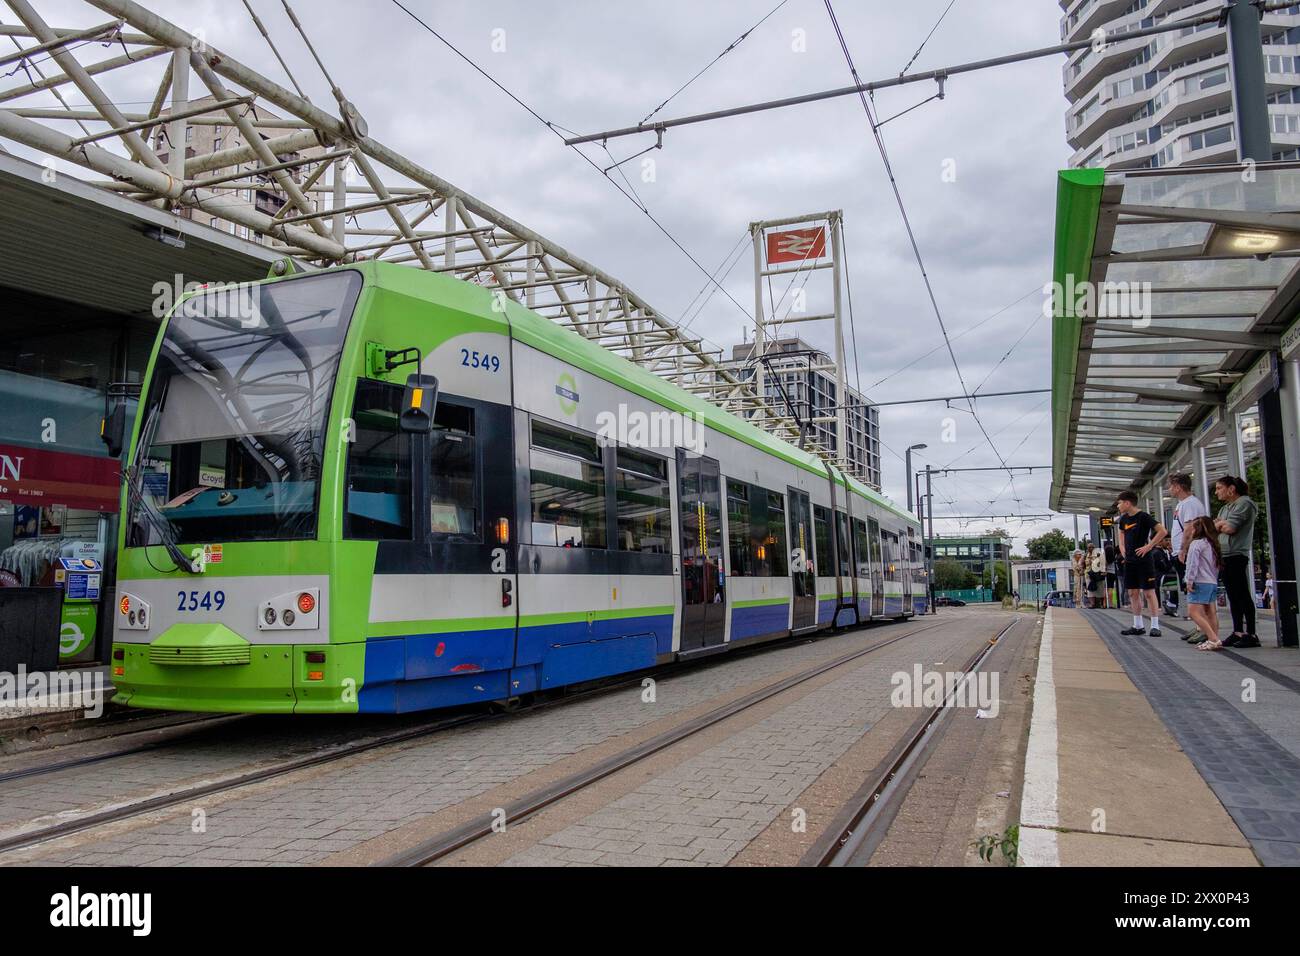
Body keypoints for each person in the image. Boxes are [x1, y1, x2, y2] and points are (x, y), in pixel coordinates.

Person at [1213, 475, 1260, 649]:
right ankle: (1238, 630)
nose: (1217, 492)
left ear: (1231, 489)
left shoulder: (1244, 504)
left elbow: (1230, 528)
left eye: (1219, 488)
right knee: (1233, 594)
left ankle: (1252, 633)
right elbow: (1214, 528)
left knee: (1242, 593)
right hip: (1225, 554)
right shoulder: (1225, 508)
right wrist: (1219, 525)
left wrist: (1220, 525)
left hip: (1236, 553)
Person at [1115, 491, 1168, 636]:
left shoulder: (1143, 517)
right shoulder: (1123, 519)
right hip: (1130, 560)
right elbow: (1121, 534)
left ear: (1127, 503)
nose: (1118, 506)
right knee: (1132, 592)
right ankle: (1137, 625)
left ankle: (1155, 625)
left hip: (1144, 560)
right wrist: (1122, 547)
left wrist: (1149, 546)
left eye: (1119, 503)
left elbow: (1162, 531)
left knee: (1149, 592)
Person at [1163, 472, 1207, 623]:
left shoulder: (1190, 503)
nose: (1170, 489)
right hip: (1182, 553)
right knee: (1189, 589)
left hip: (1187, 553)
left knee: (1194, 588)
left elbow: (1189, 529)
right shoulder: (1182, 504)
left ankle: (1202, 627)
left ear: (1178, 487)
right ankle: (1198, 626)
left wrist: (1183, 549)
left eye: (1171, 486)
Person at [1179, 516, 1224, 651]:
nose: (1191, 530)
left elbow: (1192, 564)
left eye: (1193, 527)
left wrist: (1189, 581)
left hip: (1199, 581)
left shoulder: (1196, 544)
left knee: (1193, 612)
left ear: (1197, 529)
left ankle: (1213, 639)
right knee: (1211, 612)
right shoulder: (1212, 544)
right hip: (1211, 582)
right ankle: (1214, 638)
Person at [1087, 543, 1104, 609]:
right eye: (1089, 547)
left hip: (1098, 573)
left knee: (1100, 588)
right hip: (1089, 574)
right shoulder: (1086, 555)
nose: (1090, 548)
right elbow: (1082, 563)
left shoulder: (1098, 553)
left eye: (1092, 547)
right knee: (1090, 589)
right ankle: (1092, 604)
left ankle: (1101, 604)